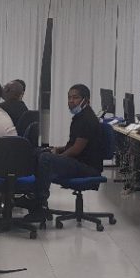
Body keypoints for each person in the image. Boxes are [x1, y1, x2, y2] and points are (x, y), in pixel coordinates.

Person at [30, 84, 104, 219]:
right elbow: (73, 145)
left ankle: (40, 206)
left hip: (88, 168)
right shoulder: (79, 117)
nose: (71, 101)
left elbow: (76, 150)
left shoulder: (87, 119)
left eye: (75, 98)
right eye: (69, 98)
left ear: (86, 100)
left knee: (45, 159)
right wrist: (57, 150)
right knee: (39, 152)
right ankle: (32, 198)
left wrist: (58, 157)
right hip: (78, 162)